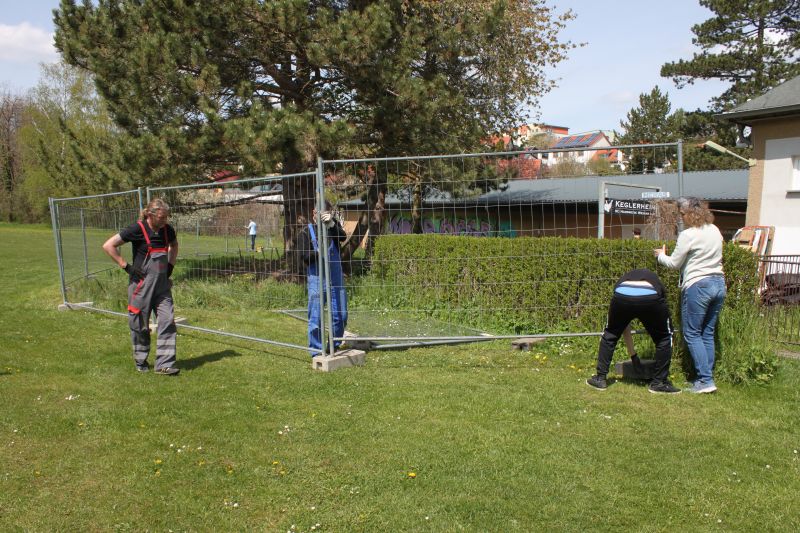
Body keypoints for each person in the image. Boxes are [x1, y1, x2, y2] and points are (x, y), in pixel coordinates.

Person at [654, 197, 725, 394]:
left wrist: (660, 255)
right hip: (719, 283)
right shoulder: (714, 229)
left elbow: (674, 264)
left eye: (682, 214)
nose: (681, 218)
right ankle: (705, 377)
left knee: (692, 333)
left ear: (690, 214)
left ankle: (705, 381)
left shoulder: (688, 235)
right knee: (707, 332)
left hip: (698, 285)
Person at [102, 198, 180, 375]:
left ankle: (164, 365)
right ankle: (141, 360)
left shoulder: (167, 230)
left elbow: (174, 246)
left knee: (167, 320)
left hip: (162, 286)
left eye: (166, 217)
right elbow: (108, 245)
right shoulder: (137, 229)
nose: (164, 221)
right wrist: (126, 266)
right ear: (150, 215)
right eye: (161, 217)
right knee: (140, 325)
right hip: (141, 287)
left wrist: (170, 266)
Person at [587, 268, 679, 394]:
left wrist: (633, 356)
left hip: (621, 296)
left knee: (611, 334)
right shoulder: (655, 280)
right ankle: (659, 382)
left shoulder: (624, 279)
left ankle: (600, 378)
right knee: (663, 338)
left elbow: (624, 326)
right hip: (650, 296)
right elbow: (662, 300)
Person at [296, 203, 348, 356]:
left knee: (341, 314)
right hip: (317, 279)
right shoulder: (306, 232)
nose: (323, 215)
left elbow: (343, 237)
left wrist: (331, 224)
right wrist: (319, 252)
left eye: (327, 212)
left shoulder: (333, 227)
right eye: (320, 212)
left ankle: (334, 344)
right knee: (316, 316)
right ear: (314, 213)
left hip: (336, 277)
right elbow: (304, 258)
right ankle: (317, 351)